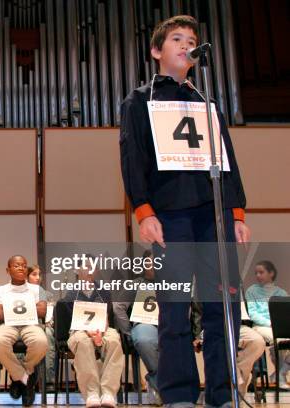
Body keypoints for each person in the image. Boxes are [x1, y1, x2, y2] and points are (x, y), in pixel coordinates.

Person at [120, 14, 250, 408]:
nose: (185, 44)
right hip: (170, 214)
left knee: (221, 305)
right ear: (157, 51)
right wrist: (144, 211)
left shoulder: (205, 99)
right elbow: (132, 157)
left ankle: (222, 392)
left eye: (191, 39)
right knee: (174, 308)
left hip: (214, 214)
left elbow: (227, 158)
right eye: (176, 38)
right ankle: (177, 393)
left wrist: (237, 213)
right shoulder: (140, 100)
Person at [58, 260, 123, 408]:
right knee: (84, 342)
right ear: (77, 271)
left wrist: (101, 330)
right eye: (85, 267)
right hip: (79, 330)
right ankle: (92, 393)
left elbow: (107, 317)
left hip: (103, 329)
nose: (89, 271)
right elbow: (70, 322)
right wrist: (88, 331)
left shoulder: (104, 292)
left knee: (114, 340)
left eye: (92, 267)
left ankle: (108, 393)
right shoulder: (71, 294)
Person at [0, 255, 47, 407]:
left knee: (41, 342)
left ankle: (20, 377)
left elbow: (42, 312)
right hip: (8, 325)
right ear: (8, 270)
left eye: (24, 265)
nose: (21, 267)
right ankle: (25, 379)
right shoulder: (1, 290)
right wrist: (27, 307)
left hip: (31, 324)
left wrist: (10, 307)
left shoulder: (37, 289)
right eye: (16, 265)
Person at [112, 250, 161, 405]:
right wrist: (128, 332)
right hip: (145, 324)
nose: (152, 265)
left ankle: (162, 384)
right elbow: (118, 307)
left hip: (168, 325)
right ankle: (159, 382)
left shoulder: (171, 284)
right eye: (148, 262)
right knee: (144, 339)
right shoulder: (136, 284)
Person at [245, 260, 289, 387]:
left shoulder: (281, 293)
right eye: (256, 273)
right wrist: (271, 323)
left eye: (261, 272)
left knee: (283, 338)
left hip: (278, 326)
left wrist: (278, 324)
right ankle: (280, 377)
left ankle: (280, 373)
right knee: (278, 339)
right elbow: (253, 314)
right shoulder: (251, 291)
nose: (258, 275)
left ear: (271, 273)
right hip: (261, 326)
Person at [27, 264, 55, 386]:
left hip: (44, 327)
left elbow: (51, 317)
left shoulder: (48, 295)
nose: (38, 277)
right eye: (34, 274)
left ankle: (47, 381)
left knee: (48, 333)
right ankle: (25, 380)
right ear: (26, 277)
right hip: (26, 327)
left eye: (39, 275)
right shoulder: (22, 293)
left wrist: (49, 322)